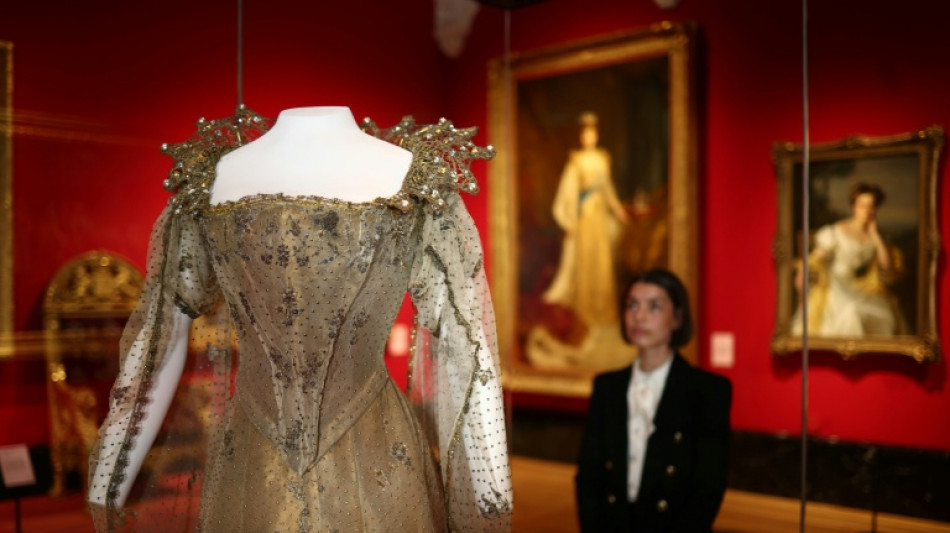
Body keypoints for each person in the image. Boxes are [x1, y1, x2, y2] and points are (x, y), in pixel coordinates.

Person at [87, 106, 512, 532]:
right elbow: (162, 334)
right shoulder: (206, 183)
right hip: (257, 456)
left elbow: (466, 339)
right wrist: (110, 474)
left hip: (371, 452)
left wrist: (491, 485)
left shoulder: (415, 181)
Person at [576, 269, 731, 532]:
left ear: (678, 318)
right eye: (632, 305)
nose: (640, 316)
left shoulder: (707, 391)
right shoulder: (607, 386)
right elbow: (589, 477)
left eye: (654, 306)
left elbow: (708, 487)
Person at [543, 111, 630, 329]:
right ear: (582, 137)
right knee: (586, 263)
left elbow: (608, 189)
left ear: (597, 136)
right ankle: (586, 315)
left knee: (602, 262)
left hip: (600, 218)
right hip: (585, 219)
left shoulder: (603, 159)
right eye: (586, 134)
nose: (589, 138)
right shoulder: (576, 161)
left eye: (593, 133)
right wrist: (569, 221)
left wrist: (618, 210)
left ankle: (604, 314)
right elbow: (568, 192)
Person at [791, 182, 906, 337]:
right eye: (862, 205)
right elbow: (816, 259)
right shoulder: (837, 231)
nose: (867, 211)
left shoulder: (876, 236)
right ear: (854, 207)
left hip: (863, 290)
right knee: (851, 312)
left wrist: (875, 236)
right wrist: (803, 272)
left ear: (876, 209)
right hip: (837, 287)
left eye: (871, 206)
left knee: (885, 316)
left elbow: (886, 266)